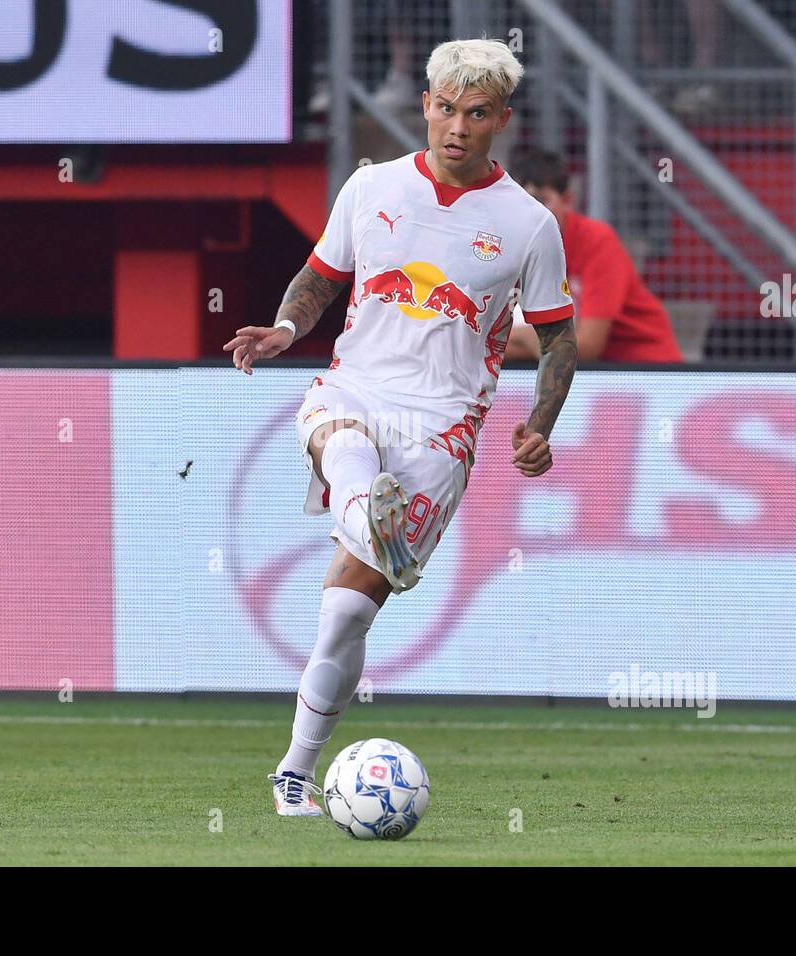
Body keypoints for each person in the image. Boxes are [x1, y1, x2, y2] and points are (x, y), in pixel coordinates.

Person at [224, 39, 577, 818]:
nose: (457, 127)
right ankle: (366, 513)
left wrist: (540, 423)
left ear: (501, 120)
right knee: (342, 439)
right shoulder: (371, 186)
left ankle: (294, 771)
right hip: (356, 384)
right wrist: (285, 329)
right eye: (445, 108)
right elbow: (321, 277)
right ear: (425, 105)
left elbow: (558, 338)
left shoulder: (528, 224)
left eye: (476, 113)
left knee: (347, 614)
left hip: (442, 423)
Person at [505, 148, 682, 364]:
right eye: (521, 204)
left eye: (541, 200)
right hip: (582, 374)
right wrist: (528, 341)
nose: (530, 214)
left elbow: (587, 348)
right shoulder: (511, 246)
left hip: (647, 371)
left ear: (567, 200)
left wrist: (521, 337)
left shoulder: (596, 241)